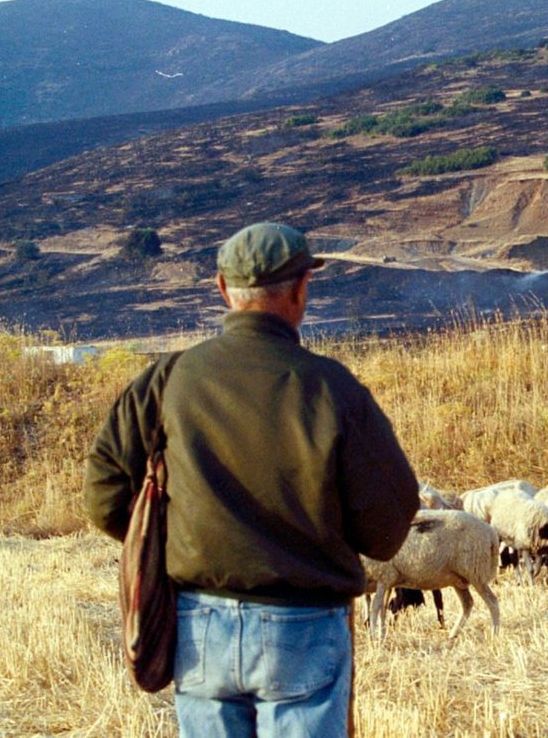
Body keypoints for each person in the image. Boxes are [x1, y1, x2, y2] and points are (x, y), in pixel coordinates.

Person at [84, 221, 420, 737]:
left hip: (199, 630)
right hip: (304, 631)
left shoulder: (167, 380)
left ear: (222, 289)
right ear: (302, 290)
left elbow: (105, 496)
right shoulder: (334, 390)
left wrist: (177, 541)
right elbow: (387, 529)